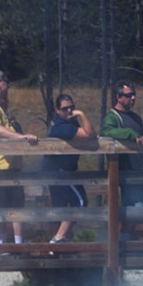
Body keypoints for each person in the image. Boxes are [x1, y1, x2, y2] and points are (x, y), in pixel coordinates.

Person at [0, 70, 39, 243]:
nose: (8, 86)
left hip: (6, 166)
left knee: (13, 206)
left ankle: (9, 245)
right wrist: (20, 136)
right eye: (7, 82)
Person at [99, 81, 143, 235]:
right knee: (135, 207)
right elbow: (107, 132)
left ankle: (135, 247)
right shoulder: (112, 117)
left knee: (140, 209)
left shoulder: (135, 117)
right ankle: (123, 241)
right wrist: (130, 134)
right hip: (127, 170)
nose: (133, 98)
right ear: (118, 97)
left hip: (141, 168)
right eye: (129, 95)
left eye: (134, 95)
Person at [42, 93, 94, 241]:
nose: (70, 111)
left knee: (62, 208)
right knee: (80, 202)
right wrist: (82, 114)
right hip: (58, 170)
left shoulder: (70, 123)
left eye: (72, 108)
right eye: (65, 109)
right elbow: (89, 134)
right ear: (57, 111)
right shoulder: (61, 127)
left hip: (60, 170)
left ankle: (58, 244)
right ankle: (58, 238)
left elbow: (90, 134)